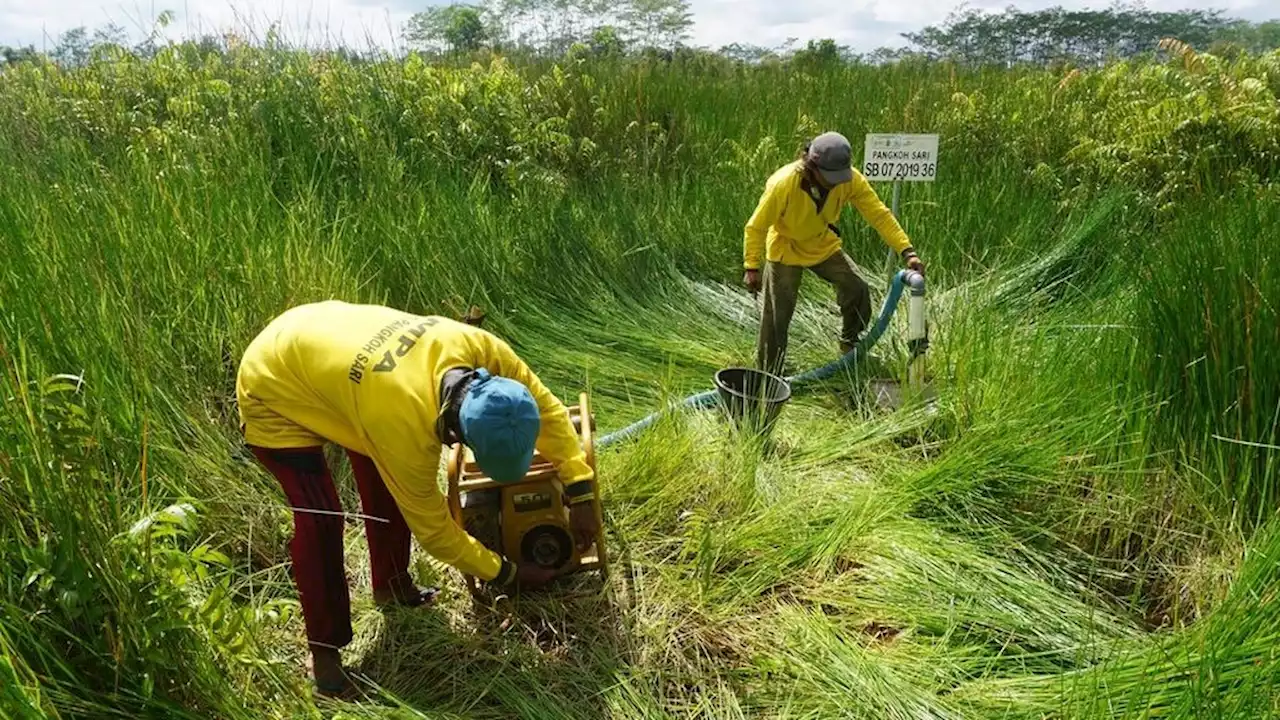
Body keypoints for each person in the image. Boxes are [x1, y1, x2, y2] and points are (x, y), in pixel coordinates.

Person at [235, 300, 597, 697]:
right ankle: (324, 660)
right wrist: (508, 574)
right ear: (457, 436)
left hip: (330, 344)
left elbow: (547, 408)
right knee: (321, 519)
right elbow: (436, 533)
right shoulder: (403, 424)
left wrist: (580, 490)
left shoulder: (481, 347)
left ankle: (391, 585)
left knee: (388, 472)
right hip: (273, 381)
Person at [743, 130, 926, 376]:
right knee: (777, 315)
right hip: (786, 247)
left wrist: (907, 251)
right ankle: (769, 372)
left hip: (821, 243)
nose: (835, 182)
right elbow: (756, 226)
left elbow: (878, 214)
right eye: (829, 176)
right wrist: (751, 266)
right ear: (811, 164)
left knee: (857, 288)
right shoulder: (783, 183)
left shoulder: (850, 180)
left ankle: (849, 343)